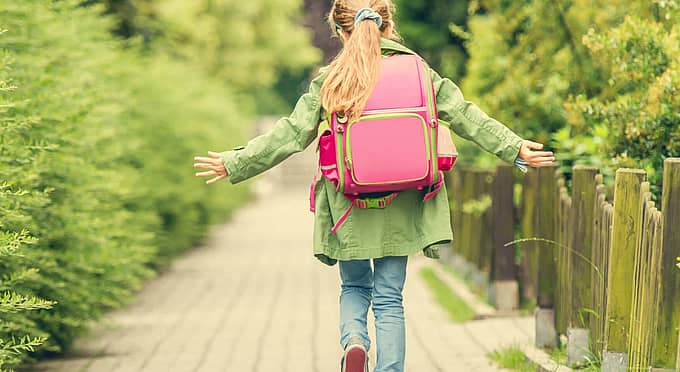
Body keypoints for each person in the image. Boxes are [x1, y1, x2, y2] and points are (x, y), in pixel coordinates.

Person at [193, 1, 554, 371]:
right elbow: (465, 115)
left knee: (354, 288)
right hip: (402, 199)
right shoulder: (419, 72)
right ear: (388, 25)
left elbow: (291, 134)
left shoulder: (332, 79)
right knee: (389, 299)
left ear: (339, 31)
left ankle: (354, 340)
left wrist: (234, 162)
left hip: (349, 202)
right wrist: (515, 148)